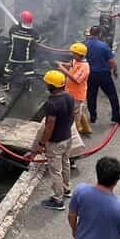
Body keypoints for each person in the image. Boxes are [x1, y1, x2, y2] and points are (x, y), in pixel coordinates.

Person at [37, 70, 76, 211]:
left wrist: (41, 144)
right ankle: (66, 190)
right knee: (65, 164)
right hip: (67, 137)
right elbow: (72, 115)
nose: (46, 85)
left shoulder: (52, 103)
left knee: (55, 171)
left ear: (53, 86)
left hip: (55, 142)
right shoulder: (69, 96)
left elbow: (49, 127)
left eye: (48, 83)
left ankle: (58, 200)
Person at [85, 26, 120, 125]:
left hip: (90, 74)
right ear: (100, 34)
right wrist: (115, 71)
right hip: (104, 75)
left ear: (90, 33)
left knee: (91, 95)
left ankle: (93, 116)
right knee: (112, 96)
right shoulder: (103, 46)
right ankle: (116, 117)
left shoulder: (84, 45)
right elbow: (111, 61)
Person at [60, 43, 92, 136]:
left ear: (80, 55)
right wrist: (62, 63)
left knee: (74, 113)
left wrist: (62, 69)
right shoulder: (75, 60)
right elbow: (70, 65)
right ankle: (87, 128)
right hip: (70, 91)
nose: (72, 55)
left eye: (74, 53)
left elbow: (77, 80)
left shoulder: (85, 67)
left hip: (77, 94)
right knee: (78, 110)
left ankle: (77, 130)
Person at [5, 10, 39, 93]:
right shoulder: (34, 32)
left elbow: (10, 37)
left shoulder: (13, 28)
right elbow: (37, 41)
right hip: (27, 58)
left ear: (22, 20)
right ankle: (29, 87)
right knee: (29, 71)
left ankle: (7, 85)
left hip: (14, 56)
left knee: (8, 70)